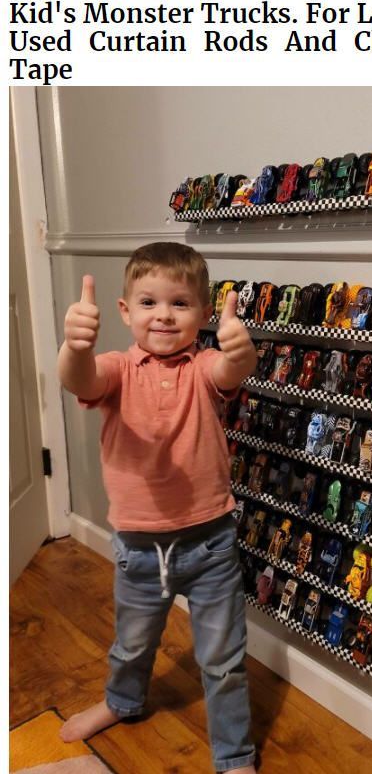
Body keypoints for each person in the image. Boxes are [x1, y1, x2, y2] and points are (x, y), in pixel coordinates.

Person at [56, 242, 257, 774]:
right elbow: (80, 380)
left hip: (211, 544)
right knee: (131, 645)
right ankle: (121, 702)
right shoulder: (119, 368)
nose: (163, 315)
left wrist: (241, 350)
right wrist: (74, 347)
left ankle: (234, 756)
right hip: (139, 549)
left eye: (180, 303)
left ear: (204, 315)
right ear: (125, 312)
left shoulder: (204, 366)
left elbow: (232, 373)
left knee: (224, 662)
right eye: (148, 302)